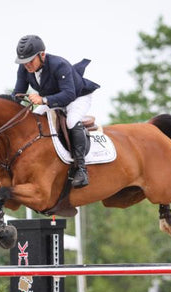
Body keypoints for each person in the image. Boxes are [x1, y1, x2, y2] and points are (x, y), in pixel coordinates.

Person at [12, 35, 100, 188]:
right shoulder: (24, 69)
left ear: (42, 55)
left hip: (77, 97)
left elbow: (69, 94)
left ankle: (81, 169)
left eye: (30, 61)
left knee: (71, 121)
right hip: (54, 98)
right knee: (35, 119)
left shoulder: (59, 65)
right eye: (23, 62)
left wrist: (44, 100)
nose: (27, 65)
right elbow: (18, 93)